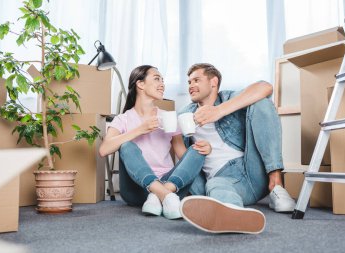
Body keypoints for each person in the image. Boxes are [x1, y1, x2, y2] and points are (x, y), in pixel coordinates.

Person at [178, 63, 296, 234]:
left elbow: (265, 87)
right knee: (215, 184)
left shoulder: (229, 98)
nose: (191, 86)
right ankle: (233, 214)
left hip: (250, 169)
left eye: (196, 80)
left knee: (261, 102)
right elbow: (182, 156)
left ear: (213, 82)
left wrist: (219, 111)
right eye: (189, 82)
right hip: (220, 179)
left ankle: (276, 186)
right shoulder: (185, 114)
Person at [99, 65, 211, 220]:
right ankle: (166, 196)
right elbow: (104, 150)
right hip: (136, 189)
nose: (162, 84)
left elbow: (182, 155)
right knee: (126, 146)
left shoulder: (169, 118)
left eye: (163, 80)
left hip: (171, 183)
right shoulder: (122, 119)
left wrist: (200, 151)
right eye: (157, 79)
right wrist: (140, 129)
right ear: (140, 84)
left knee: (197, 149)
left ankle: (160, 194)